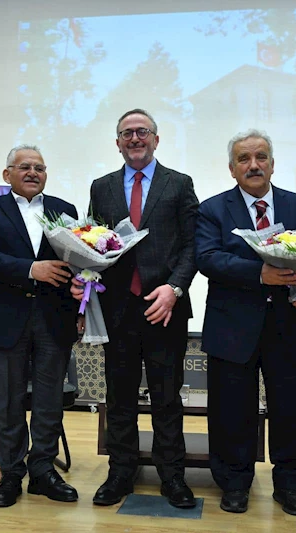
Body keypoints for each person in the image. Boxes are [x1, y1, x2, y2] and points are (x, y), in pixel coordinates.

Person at [72, 108, 199, 508]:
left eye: (142, 131)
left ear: (156, 139)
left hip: (166, 307)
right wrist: (84, 277)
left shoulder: (179, 184)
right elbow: (92, 241)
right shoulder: (102, 186)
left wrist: (174, 288)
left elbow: (192, 246)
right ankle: (120, 473)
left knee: (166, 398)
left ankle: (172, 476)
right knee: (119, 397)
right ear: (118, 143)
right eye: (126, 133)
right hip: (117, 309)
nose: (135, 138)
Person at [195, 129, 296, 515]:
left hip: (288, 324)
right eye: (244, 159)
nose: (254, 165)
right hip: (232, 326)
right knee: (231, 412)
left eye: (261, 157)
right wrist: (259, 274)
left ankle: (291, 485)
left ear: (273, 164)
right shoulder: (212, 209)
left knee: (292, 409)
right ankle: (234, 483)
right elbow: (207, 258)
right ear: (232, 169)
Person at [0, 145, 80, 508]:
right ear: (8, 175)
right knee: (9, 401)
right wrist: (32, 270)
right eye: (24, 167)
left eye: (39, 168)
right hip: (5, 319)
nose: (33, 172)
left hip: (54, 318)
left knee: (49, 402)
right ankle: (10, 474)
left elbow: (76, 262)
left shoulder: (65, 211)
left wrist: (82, 288)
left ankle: (44, 471)